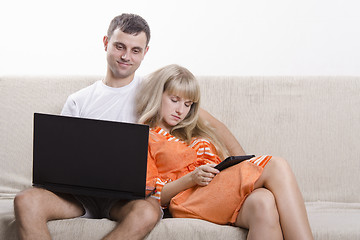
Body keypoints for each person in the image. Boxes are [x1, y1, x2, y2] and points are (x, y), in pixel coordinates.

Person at [13, 14, 246, 240]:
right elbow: (60, 161)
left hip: (126, 199)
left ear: (145, 53)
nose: (126, 56)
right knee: (25, 200)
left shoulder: (154, 92)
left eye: (135, 50)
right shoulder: (79, 100)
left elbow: (213, 125)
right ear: (106, 43)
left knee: (149, 211)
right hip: (78, 197)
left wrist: (241, 167)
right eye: (119, 46)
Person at [137, 64, 314, 240]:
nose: (180, 110)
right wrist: (191, 178)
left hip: (217, 190)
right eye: (174, 100)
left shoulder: (188, 130)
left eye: (187, 104)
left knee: (263, 201)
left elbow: (216, 127)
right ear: (157, 95)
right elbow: (152, 195)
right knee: (277, 165)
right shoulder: (145, 137)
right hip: (187, 199)